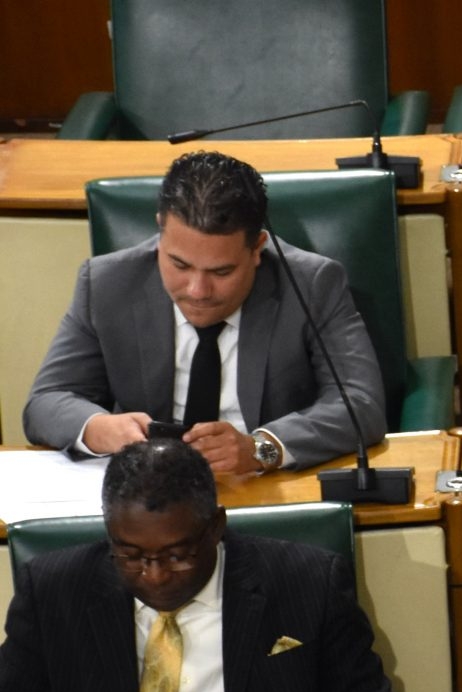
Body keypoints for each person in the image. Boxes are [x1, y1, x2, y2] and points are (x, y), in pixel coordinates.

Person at [0, 439, 414, 692]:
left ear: (215, 526)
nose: (155, 575)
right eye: (130, 556)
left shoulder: (304, 581)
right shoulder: (56, 592)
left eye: (177, 556)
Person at [22, 150, 387, 475]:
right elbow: (46, 401)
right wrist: (98, 427)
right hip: (151, 501)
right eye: (179, 265)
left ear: (257, 248)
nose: (197, 291)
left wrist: (262, 447)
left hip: (262, 487)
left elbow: (361, 404)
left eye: (221, 272)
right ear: (160, 231)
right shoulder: (106, 283)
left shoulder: (311, 284)